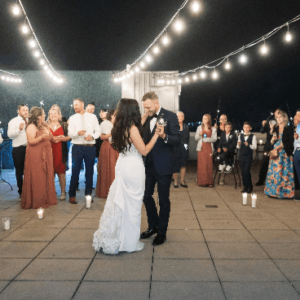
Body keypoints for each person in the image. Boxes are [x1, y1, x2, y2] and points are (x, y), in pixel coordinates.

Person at [93, 98, 160, 254]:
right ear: (133, 111)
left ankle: (120, 236)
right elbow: (143, 150)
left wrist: (146, 115)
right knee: (133, 206)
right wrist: (156, 136)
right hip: (133, 168)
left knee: (122, 202)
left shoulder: (117, 127)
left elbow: (138, 124)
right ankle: (129, 242)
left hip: (122, 165)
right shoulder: (132, 129)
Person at [140, 92, 181, 246]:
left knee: (163, 200)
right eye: (144, 107)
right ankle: (154, 225)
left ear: (156, 102)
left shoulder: (170, 116)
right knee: (145, 196)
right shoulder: (147, 118)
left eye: (148, 107)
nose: (146, 110)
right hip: (149, 165)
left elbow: (177, 139)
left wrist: (165, 136)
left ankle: (162, 232)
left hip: (164, 166)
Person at [21, 107, 57, 209]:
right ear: (38, 116)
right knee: (38, 176)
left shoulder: (42, 125)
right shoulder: (31, 126)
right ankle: (37, 200)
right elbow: (31, 141)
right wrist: (42, 137)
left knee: (45, 175)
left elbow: (50, 136)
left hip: (46, 153)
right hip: (36, 154)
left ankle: (45, 198)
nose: (45, 115)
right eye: (44, 114)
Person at [68, 98, 101, 204]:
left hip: (90, 147)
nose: (75, 107)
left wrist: (92, 136)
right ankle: (72, 195)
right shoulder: (72, 118)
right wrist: (77, 133)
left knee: (90, 172)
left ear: (83, 104)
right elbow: (70, 133)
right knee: (75, 171)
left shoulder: (93, 117)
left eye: (76, 104)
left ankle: (88, 195)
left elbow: (98, 132)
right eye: (74, 105)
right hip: (77, 147)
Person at [264, 110, 295, 199]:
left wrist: (282, 145)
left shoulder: (289, 128)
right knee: (274, 173)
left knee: (284, 174)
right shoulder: (275, 128)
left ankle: (283, 194)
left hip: (284, 154)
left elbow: (290, 142)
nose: (278, 119)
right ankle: (272, 192)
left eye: (280, 117)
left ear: (284, 118)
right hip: (275, 153)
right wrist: (271, 132)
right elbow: (270, 140)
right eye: (277, 117)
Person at [48, 107, 70, 200]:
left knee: (61, 173)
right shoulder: (45, 125)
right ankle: (51, 192)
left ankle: (63, 192)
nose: (53, 115)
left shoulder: (64, 125)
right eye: (51, 114)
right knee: (50, 174)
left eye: (55, 113)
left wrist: (64, 138)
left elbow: (70, 136)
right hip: (49, 151)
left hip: (60, 151)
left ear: (59, 115)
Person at [95, 110, 119, 198]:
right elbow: (102, 136)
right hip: (108, 147)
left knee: (115, 169)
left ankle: (116, 191)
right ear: (111, 115)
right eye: (115, 115)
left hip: (116, 147)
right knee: (108, 168)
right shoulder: (105, 123)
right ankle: (107, 191)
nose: (116, 117)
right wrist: (112, 133)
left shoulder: (116, 124)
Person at [7, 104, 29, 198]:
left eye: (27, 110)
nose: (25, 112)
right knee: (19, 171)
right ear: (18, 111)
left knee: (29, 170)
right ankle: (21, 190)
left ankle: (29, 189)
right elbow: (9, 135)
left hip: (30, 148)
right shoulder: (13, 121)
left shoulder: (30, 121)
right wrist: (19, 129)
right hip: (18, 149)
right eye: (23, 110)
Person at [256, 109, 281, 186]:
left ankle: (275, 181)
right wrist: (263, 125)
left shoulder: (281, 123)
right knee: (264, 163)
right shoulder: (270, 121)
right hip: (267, 146)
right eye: (277, 112)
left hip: (277, 146)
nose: (278, 114)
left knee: (276, 164)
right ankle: (261, 180)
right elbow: (262, 131)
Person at [195, 114, 217, 187]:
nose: (204, 120)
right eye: (203, 118)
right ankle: (202, 182)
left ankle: (209, 182)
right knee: (202, 165)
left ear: (209, 120)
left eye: (205, 118)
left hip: (209, 148)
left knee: (208, 164)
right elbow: (196, 138)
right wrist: (199, 134)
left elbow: (214, 139)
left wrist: (206, 139)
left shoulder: (213, 128)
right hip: (201, 149)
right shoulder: (199, 127)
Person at [237, 122, 257, 193]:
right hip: (241, 156)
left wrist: (249, 145)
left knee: (246, 171)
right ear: (243, 128)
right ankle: (245, 187)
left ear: (250, 128)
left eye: (247, 127)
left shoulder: (253, 136)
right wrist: (238, 144)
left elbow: (255, 147)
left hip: (248, 156)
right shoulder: (240, 136)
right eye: (244, 127)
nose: (246, 128)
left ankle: (249, 187)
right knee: (242, 172)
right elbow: (238, 147)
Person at [173, 111, 189, 188]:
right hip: (175, 149)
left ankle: (182, 181)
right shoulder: (173, 127)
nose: (179, 117)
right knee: (175, 165)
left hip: (183, 149)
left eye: (181, 116)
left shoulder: (186, 126)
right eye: (178, 116)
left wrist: (186, 147)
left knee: (183, 165)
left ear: (183, 118)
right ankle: (175, 181)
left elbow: (187, 138)